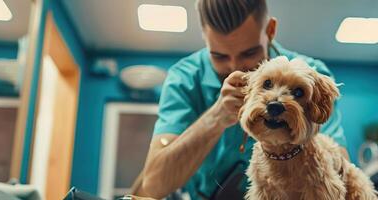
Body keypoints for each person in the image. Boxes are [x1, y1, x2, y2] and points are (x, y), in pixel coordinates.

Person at [131, 0, 348, 198]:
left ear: (270, 30)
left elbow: (342, 170)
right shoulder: (184, 79)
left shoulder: (313, 75)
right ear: (205, 39)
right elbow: (152, 187)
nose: (234, 68)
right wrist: (216, 117)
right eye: (219, 56)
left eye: (249, 53)